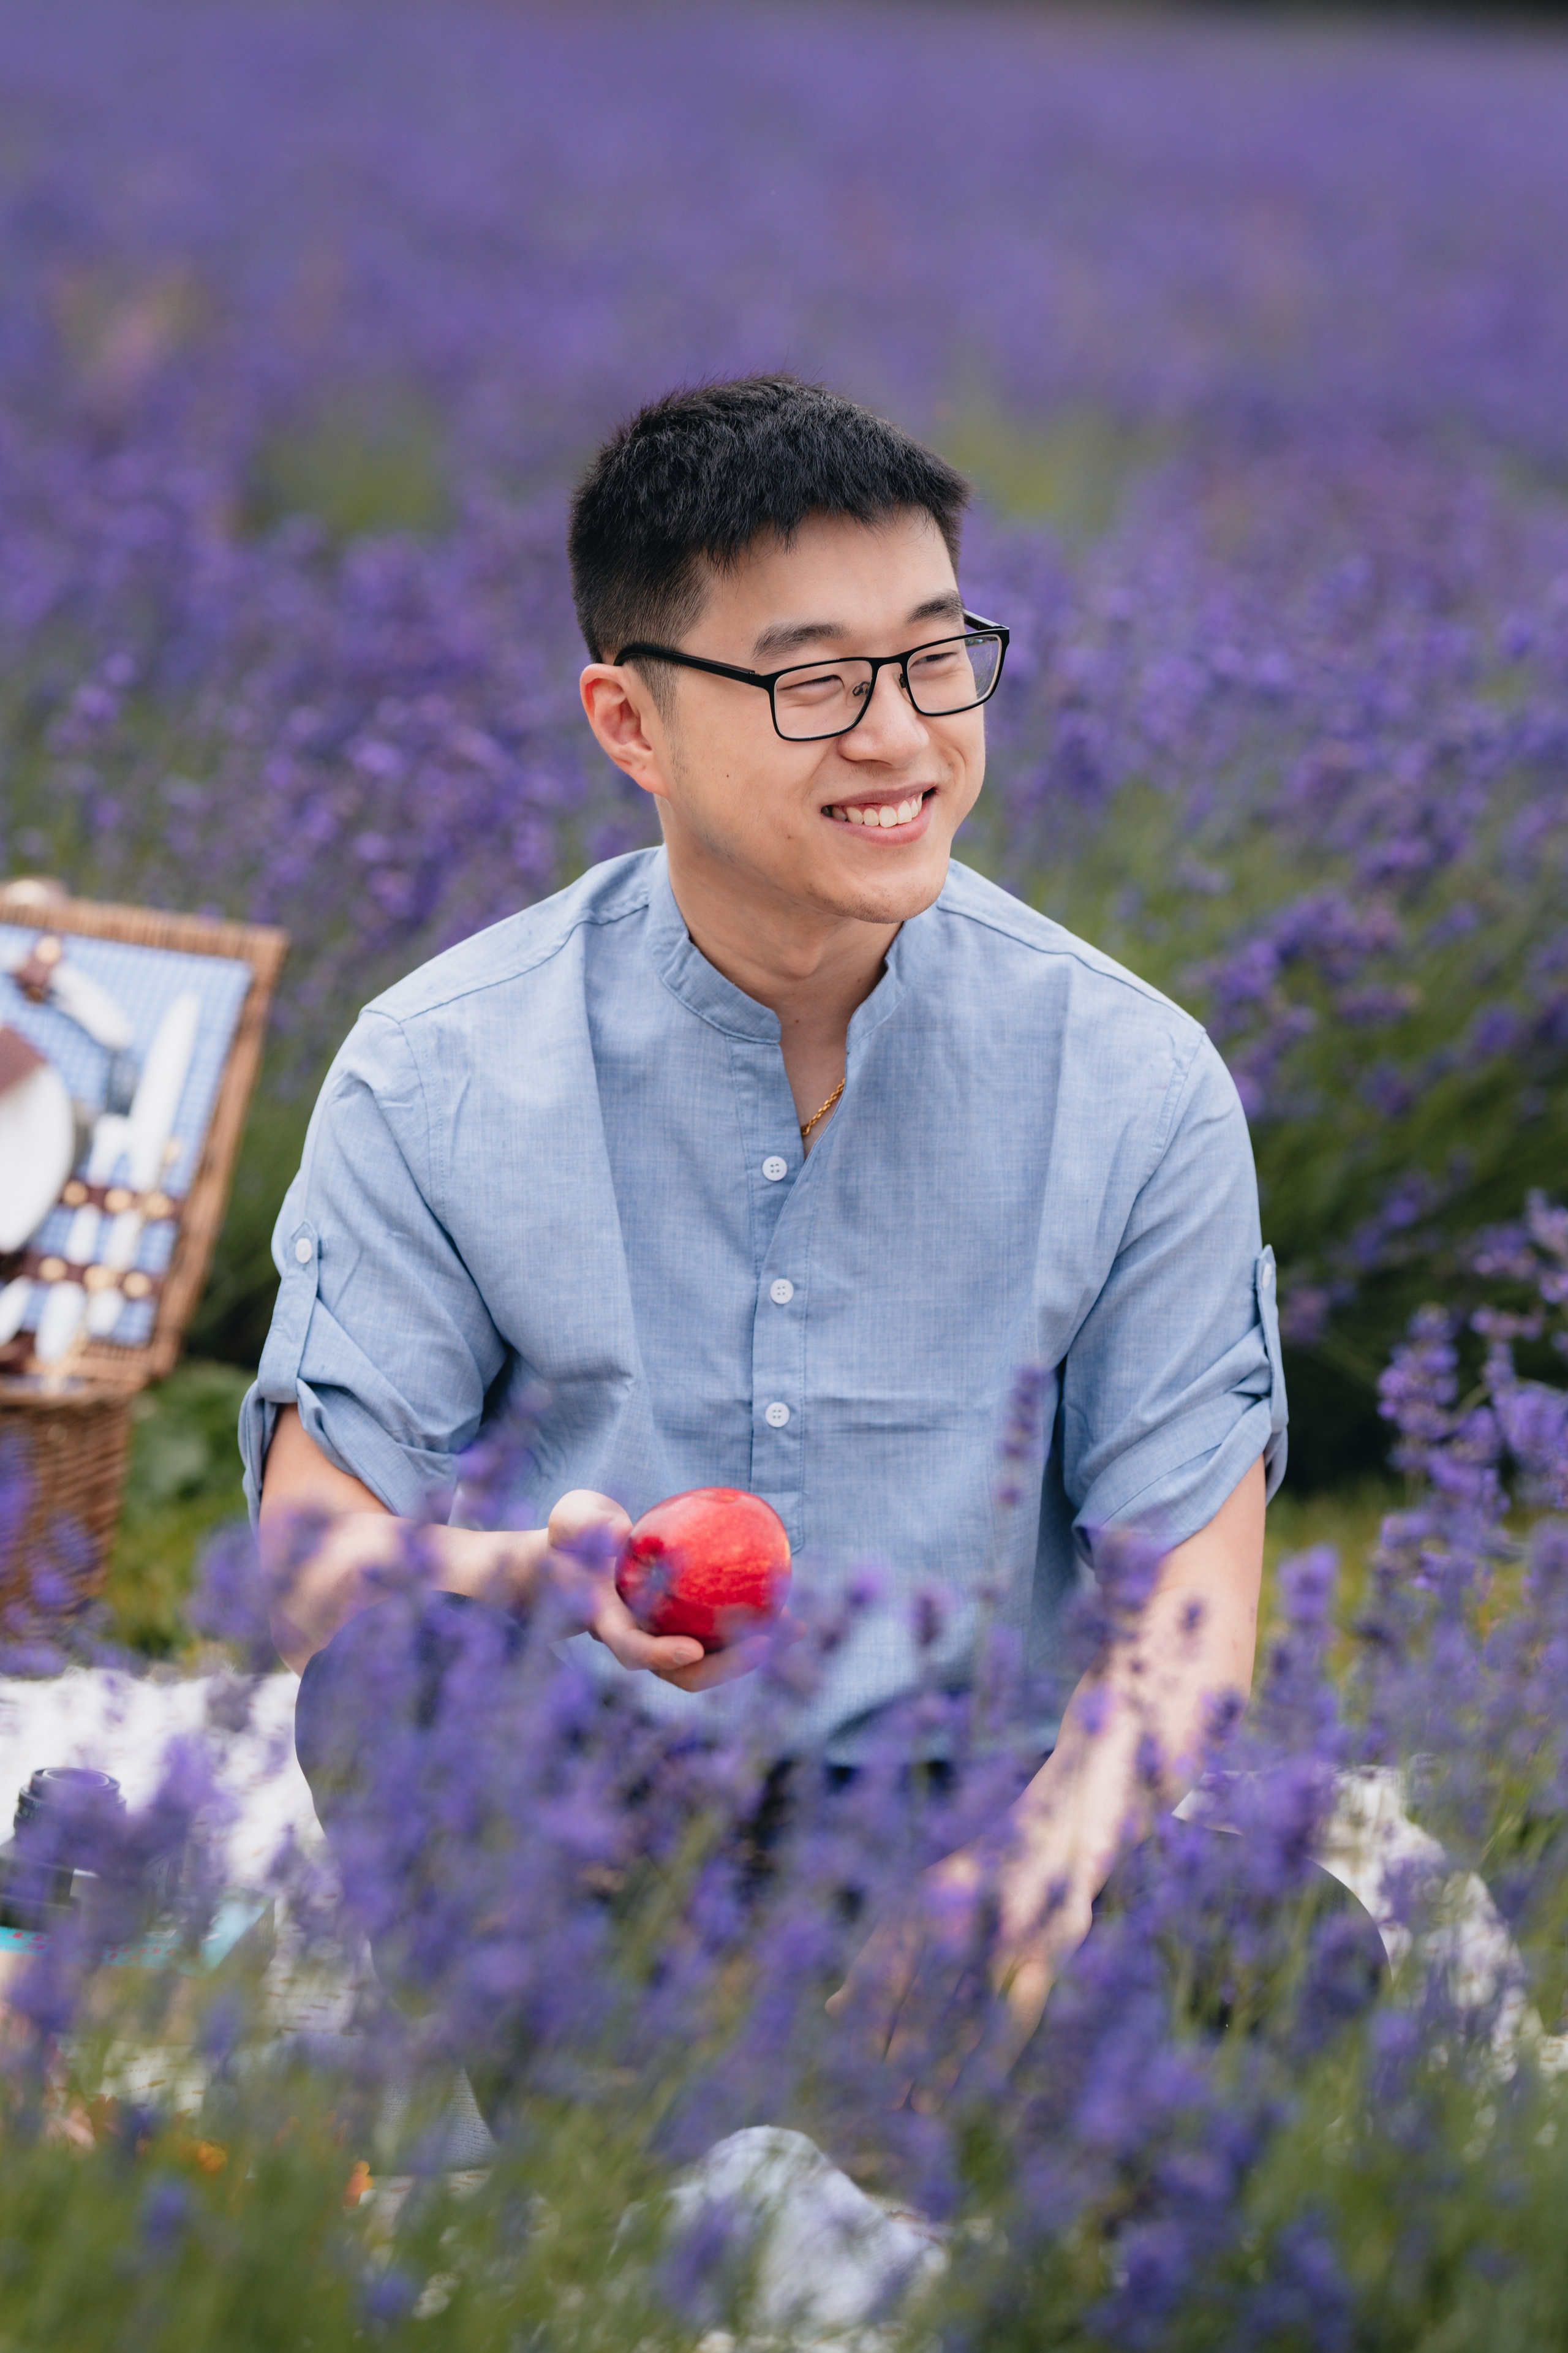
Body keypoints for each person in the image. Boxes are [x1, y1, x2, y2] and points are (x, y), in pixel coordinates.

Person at [244, 374, 1287, 2050]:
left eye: (937, 657)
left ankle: (911, 2075)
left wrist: (1055, 1850)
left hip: (972, 1802)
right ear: (628, 722)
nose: (901, 736)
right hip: (601, 1817)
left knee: (1291, 1936)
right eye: (813, 679)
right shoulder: (437, 1069)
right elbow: (305, 1563)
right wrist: (529, 1571)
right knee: (389, 1688)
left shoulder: (1134, 1080)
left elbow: (1187, 1607)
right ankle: (624, 2142)